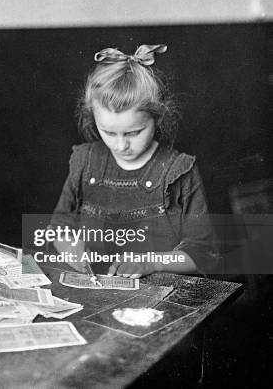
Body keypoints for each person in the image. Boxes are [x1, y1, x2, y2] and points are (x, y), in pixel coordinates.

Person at [48, 44, 218, 278]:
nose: (120, 146)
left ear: (157, 118)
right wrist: (69, 248)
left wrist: (151, 263)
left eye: (133, 133)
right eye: (108, 132)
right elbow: (58, 228)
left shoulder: (179, 171)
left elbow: (202, 254)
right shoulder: (85, 162)